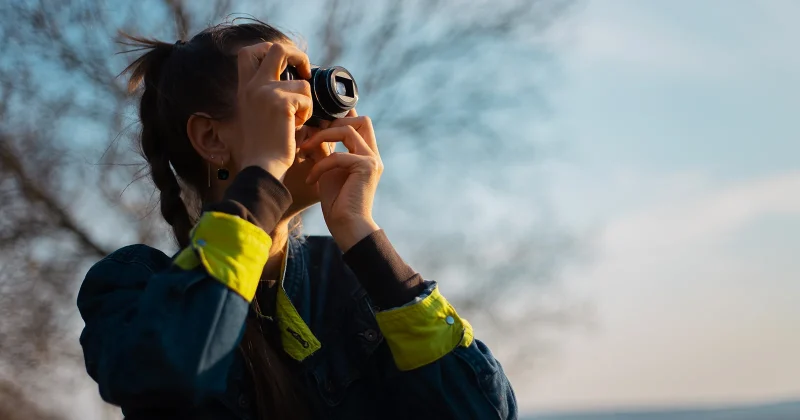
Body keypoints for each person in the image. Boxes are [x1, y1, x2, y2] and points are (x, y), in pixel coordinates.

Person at [77, 19, 517, 420]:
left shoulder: (346, 279)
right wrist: (263, 170)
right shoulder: (131, 284)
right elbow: (168, 377)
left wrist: (363, 237)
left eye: (308, 84)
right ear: (211, 138)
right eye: (282, 87)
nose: (309, 107)